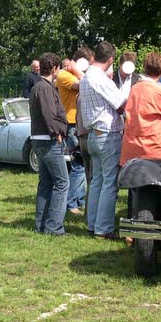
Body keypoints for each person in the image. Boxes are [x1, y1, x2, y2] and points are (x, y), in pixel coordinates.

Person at [79, 41, 127, 240]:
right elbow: (121, 105)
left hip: (92, 134)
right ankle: (104, 228)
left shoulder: (86, 77)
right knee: (109, 183)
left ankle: (93, 224)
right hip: (107, 134)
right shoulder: (101, 79)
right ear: (111, 59)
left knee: (97, 181)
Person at [29, 52, 69, 235]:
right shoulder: (44, 88)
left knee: (46, 183)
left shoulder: (39, 86)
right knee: (62, 183)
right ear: (54, 68)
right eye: (58, 68)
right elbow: (50, 115)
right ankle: (54, 227)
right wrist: (57, 134)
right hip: (48, 140)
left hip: (39, 139)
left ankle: (42, 225)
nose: (59, 72)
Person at [120, 52, 161, 166]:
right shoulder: (160, 91)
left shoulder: (134, 89)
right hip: (154, 149)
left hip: (132, 149)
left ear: (144, 68)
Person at [56, 48, 92, 214]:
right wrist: (79, 71)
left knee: (82, 164)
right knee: (78, 164)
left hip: (80, 123)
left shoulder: (73, 73)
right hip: (71, 124)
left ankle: (80, 200)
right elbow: (84, 84)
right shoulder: (64, 75)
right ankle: (71, 203)